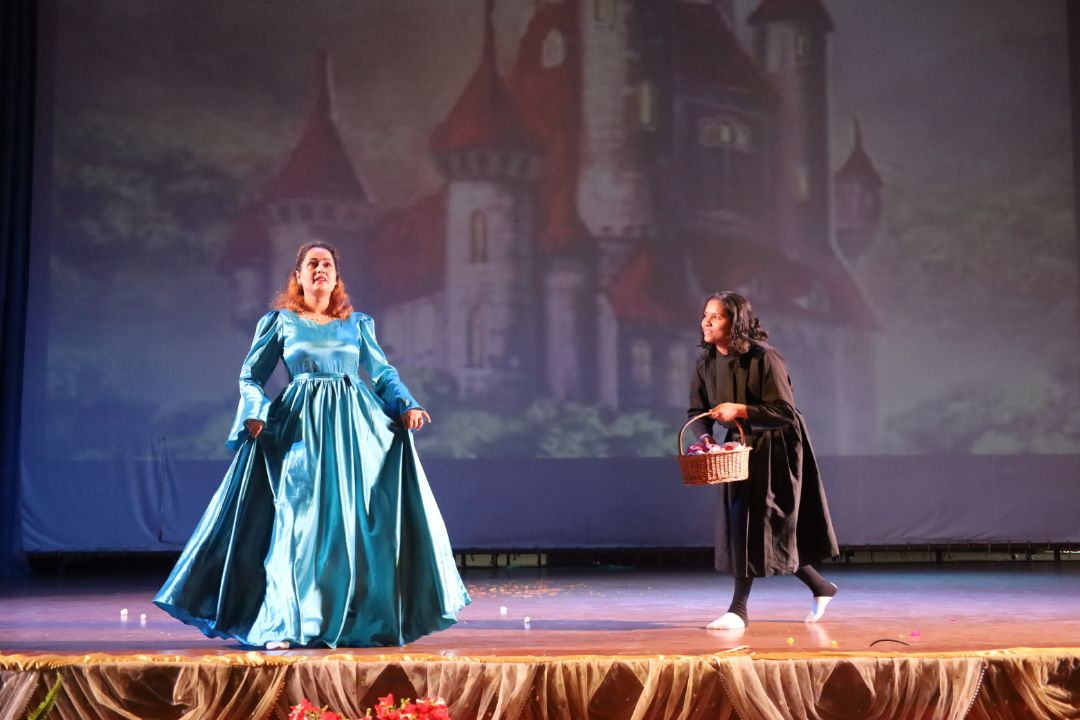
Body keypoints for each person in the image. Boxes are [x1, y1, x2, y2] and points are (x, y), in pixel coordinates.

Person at [155, 241, 469, 648]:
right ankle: (283, 623)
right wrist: (255, 411)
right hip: (299, 428)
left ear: (336, 278)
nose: (320, 269)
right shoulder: (281, 322)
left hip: (355, 433)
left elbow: (382, 373)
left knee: (350, 527)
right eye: (312, 264)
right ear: (298, 276)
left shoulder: (357, 324)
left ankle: (350, 618)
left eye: (327, 265)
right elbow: (251, 376)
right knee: (295, 521)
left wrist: (407, 403)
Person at [687, 291, 839, 630]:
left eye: (716, 316)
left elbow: (785, 412)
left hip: (776, 444)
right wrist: (707, 438)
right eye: (705, 315)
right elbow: (697, 412)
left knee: (757, 522)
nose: (706, 322)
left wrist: (740, 409)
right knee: (750, 525)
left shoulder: (764, 357)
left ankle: (738, 610)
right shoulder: (706, 363)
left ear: (735, 323)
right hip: (738, 449)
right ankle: (821, 586)